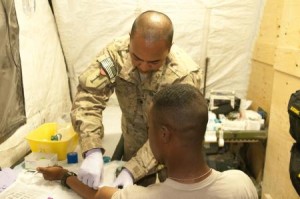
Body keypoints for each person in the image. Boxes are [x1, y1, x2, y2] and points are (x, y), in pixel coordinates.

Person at [38, 84, 258, 199]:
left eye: (149, 128)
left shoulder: (142, 197)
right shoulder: (241, 184)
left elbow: (99, 196)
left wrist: (63, 175)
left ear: (164, 134)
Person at [70, 10, 202, 189]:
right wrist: (92, 149)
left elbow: (177, 133)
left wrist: (133, 170)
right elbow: (89, 97)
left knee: (175, 192)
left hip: (172, 151)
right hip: (133, 143)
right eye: (136, 58)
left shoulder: (183, 75)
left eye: (154, 62)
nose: (144, 67)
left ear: (168, 49)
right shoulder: (116, 55)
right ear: (130, 39)